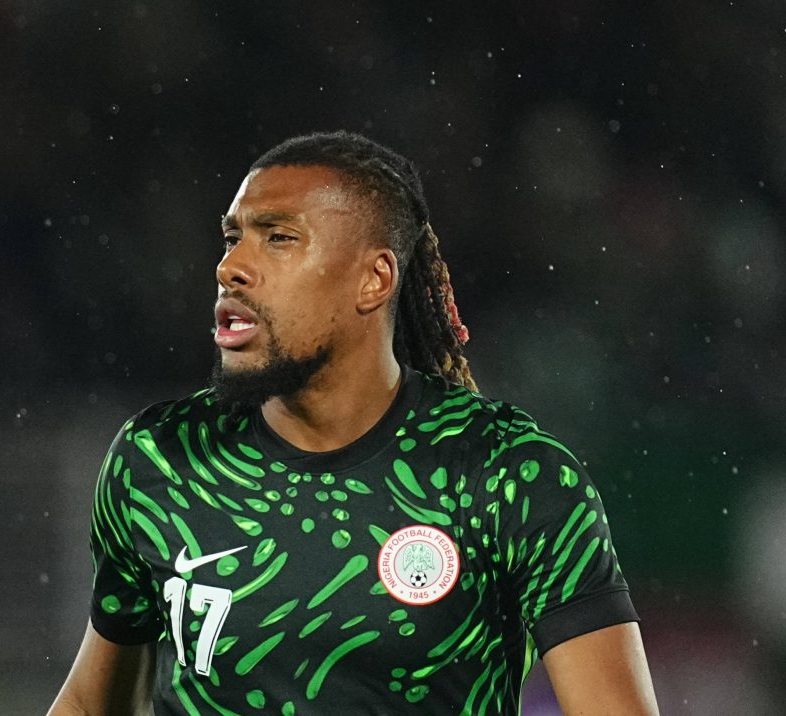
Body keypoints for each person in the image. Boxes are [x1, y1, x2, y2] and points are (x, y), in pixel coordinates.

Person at [48, 131, 659, 715]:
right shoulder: (160, 459)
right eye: (233, 238)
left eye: (278, 238)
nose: (231, 266)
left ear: (374, 280)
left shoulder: (506, 473)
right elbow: (91, 704)